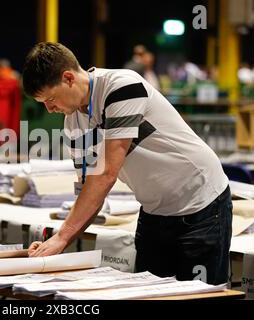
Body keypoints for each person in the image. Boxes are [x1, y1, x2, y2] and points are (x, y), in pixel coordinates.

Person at [22, 42, 232, 285]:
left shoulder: (122, 87)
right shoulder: (73, 124)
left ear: (68, 78)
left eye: (51, 99)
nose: (49, 109)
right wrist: (58, 239)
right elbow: (88, 192)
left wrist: (61, 239)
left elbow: (106, 175)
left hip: (201, 206)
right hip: (154, 212)